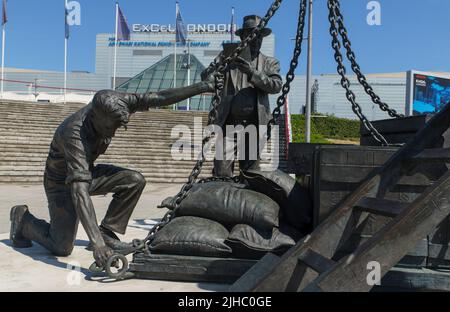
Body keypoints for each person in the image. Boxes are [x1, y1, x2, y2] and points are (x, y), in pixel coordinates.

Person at [9, 80, 214, 268]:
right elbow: (79, 192)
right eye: (110, 127)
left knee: (134, 180)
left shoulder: (117, 103)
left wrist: (203, 86)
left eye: (118, 127)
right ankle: (23, 220)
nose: (113, 132)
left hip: (87, 173)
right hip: (61, 184)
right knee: (62, 247)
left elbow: (159, 97)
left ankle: (107, 231)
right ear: (96, 116)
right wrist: (97, 245)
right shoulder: (74, 135)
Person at [202, 15, 283, 177]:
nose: (256, 39)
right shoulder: (227, 58)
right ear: (243, 37)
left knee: (250, 174)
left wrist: (252, 72)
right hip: (229, 126)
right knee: (222, 170)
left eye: (259, 36)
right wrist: (218, 66)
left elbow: (276, 86)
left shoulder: (269, 63)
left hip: (253, 125)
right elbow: (206, 78)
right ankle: (223, 200)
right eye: (252, 35)